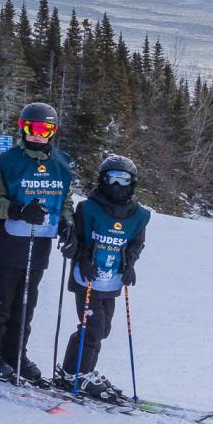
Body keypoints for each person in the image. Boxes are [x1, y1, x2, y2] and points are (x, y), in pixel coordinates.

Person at [0, 102, 75, 385]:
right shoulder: (6, 161)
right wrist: (17, 210)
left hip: (38, 246)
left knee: (26, 305)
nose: (39, 134)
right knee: (0, 302)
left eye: (45, 129)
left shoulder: (61, 162)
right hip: (6, 246)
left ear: (53, 131)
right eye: (33, 128)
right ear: (23, 128)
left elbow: (65, 200)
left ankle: (14, 353)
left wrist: (67, 223)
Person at [53, 155, 149, 402]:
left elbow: (136, 243)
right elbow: (78, 239)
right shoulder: (88, 208)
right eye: (112, 178)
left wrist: (130, 264)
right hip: (87, 279)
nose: (117, 185)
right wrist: (83, 259)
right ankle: (77, 373)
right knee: (92, 328)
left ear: (132, 183)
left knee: (102, 329)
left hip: (112, 280)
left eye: (123, 179)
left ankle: (78, 371)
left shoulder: (138, 215)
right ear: (103, 180)